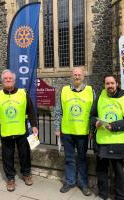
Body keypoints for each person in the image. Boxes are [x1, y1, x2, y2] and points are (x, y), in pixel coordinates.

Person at [0, 69, 38, 192]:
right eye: (5, 79)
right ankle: (10, 179)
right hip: (6, 133)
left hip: (21, 132)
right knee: (7, 157)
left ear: (14, 80)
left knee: (24, 155)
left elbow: (30, 111)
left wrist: (34, 125)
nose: (8, 80)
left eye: (10, 79)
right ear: (2, 81)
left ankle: (26, 174)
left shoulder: (23, 93)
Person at [90, 75, 124, 200]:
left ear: (117, 83)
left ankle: (120, 197)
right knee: (101, 171)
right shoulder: (100, 97)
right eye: (107, 83)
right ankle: (103, 194)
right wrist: (95, 122)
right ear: (104, 85)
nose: (109, 86)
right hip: (101, 141)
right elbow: (92, 116)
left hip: (117, 142)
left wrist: (114, 126)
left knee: (118, 173)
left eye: (112, 83)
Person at [54, 67, 94, 196]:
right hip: (67, 132)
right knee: (69, 159)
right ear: (72, 76)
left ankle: (83, 184)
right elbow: (58, 110)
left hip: (83, 133)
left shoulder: (90, 91)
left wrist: (92, 130)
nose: (77, 76)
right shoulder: (64, 90)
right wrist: (57, 127)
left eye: (79, 74)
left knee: (82, 159)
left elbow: (94, 113)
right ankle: (70, 181)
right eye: (75, 74)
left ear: (83, 76)